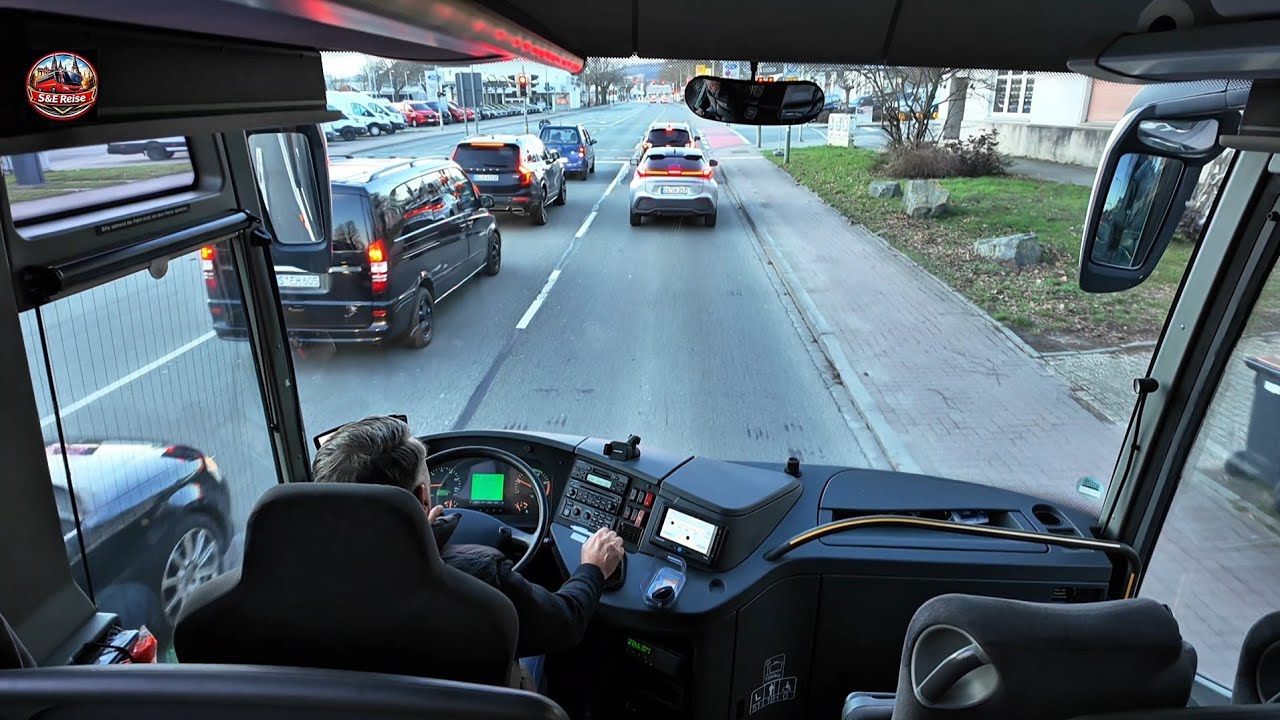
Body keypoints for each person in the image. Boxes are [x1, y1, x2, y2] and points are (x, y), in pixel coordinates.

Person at [311, 415, 625, 686]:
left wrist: (422, 530)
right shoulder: (479, 574)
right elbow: (566, 623)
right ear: (423, 497)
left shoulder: (292, 574)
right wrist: (593, 568)